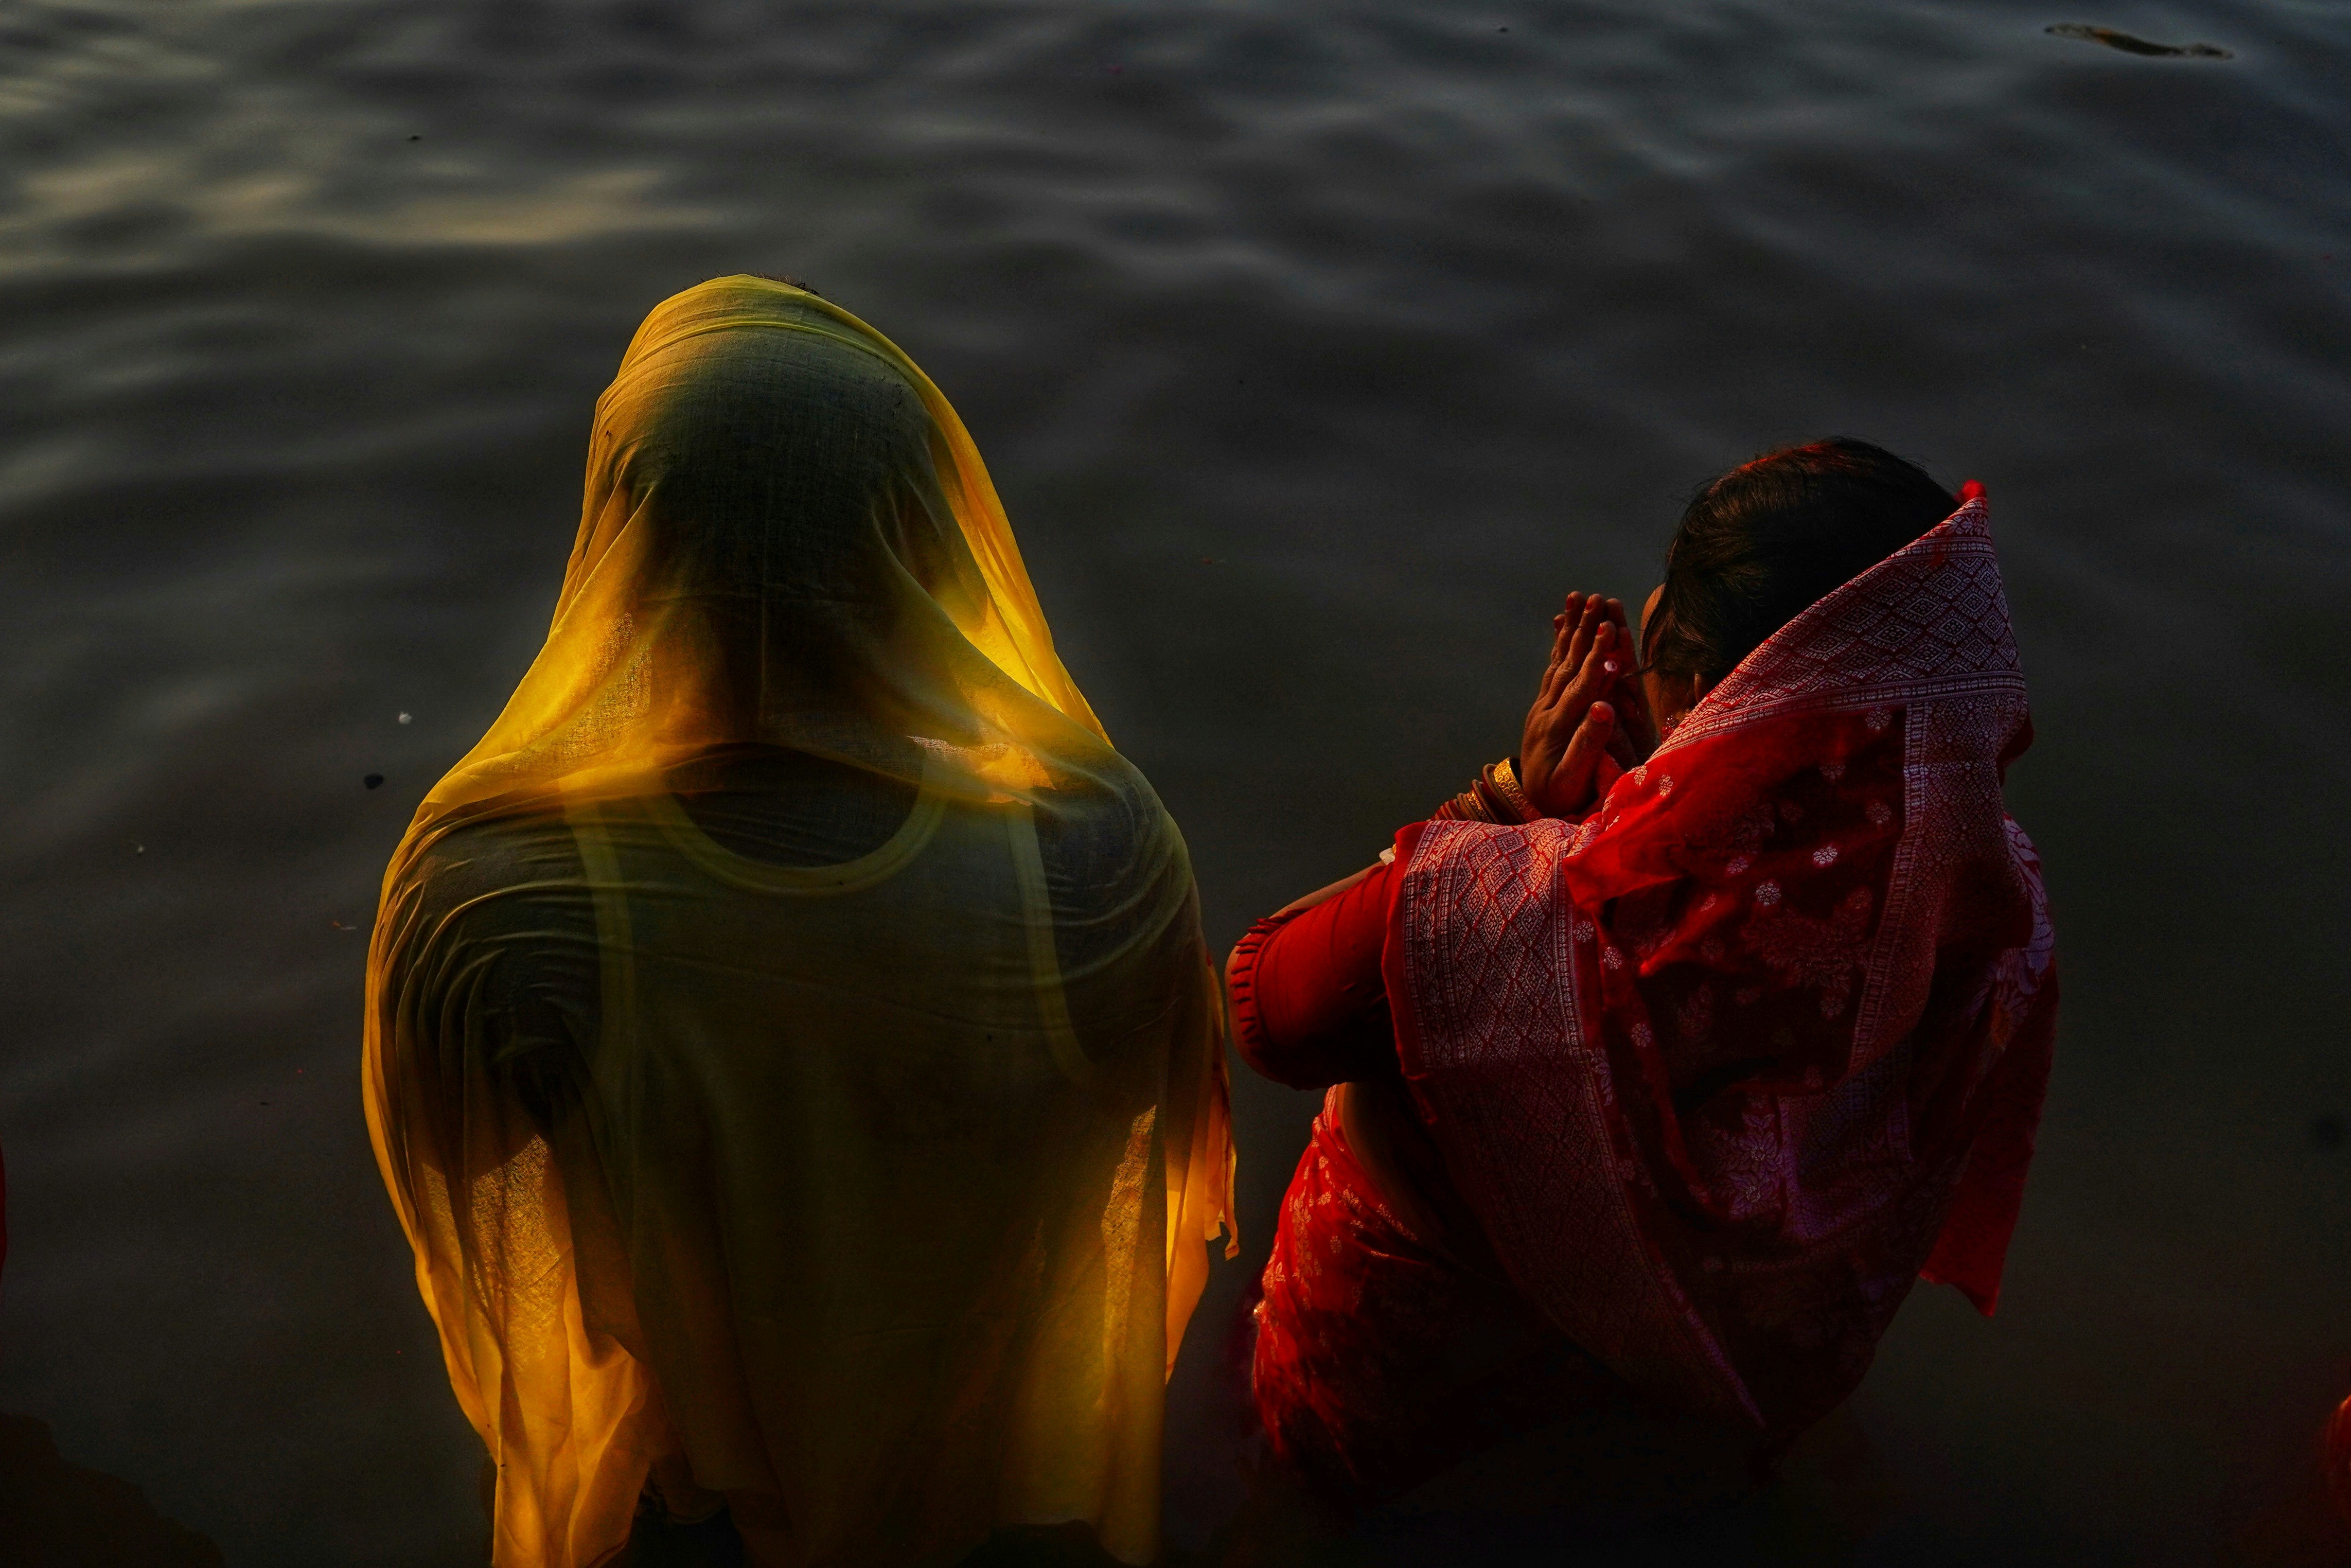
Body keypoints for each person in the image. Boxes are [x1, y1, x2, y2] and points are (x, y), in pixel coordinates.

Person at [363, 276, 1234, 1568]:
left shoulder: (488, 907)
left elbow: (464, 1170)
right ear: (927, 546)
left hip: (683, 1501)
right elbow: (1138, 1152)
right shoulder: (1094, 868)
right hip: (981, 1484)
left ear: (625, 544)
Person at [1229, 439, 2058, 1514]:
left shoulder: (1512, 920)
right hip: (1701, 1400)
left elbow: (1261, 1002)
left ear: (1708, 695)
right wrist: (1654, 803)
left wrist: (1507, 806)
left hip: (1427, 1403)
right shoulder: (1994, 907)